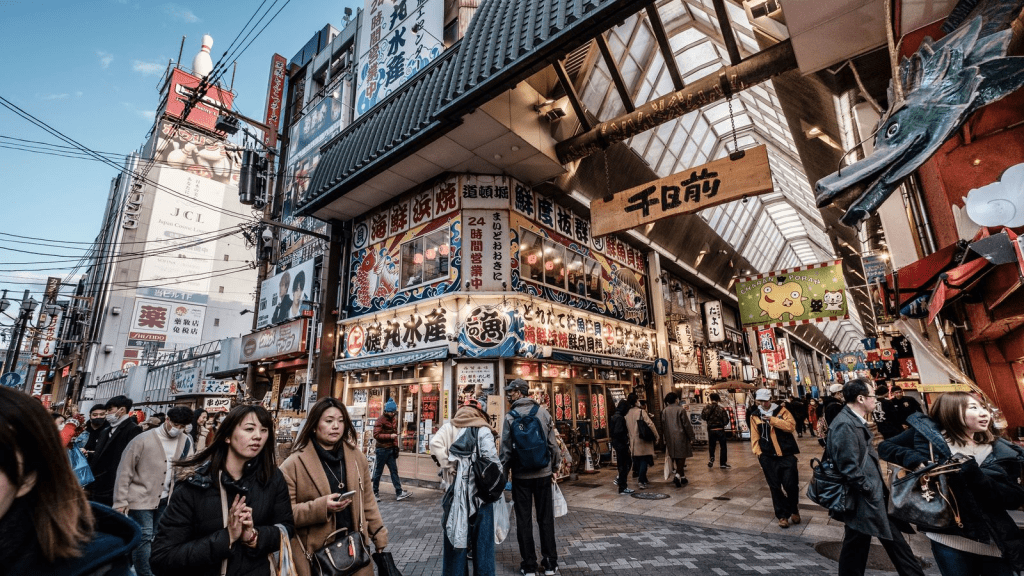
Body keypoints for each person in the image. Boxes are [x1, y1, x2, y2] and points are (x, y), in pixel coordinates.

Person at [0, 387, 141, 575]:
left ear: (27, 477)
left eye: (105, 412)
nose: (102, 416)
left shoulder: (95, 566)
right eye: (97, 413)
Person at [879, 392, 1024, 575]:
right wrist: (914, 459)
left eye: (984, 408)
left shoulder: (1002, 451)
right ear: (951, 411)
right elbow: (886, 447)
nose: (984, 413)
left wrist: (976, 476)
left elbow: (1013, 498)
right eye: (974, 408)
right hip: (947, 539)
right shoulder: (927, 437)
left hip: (994, 541)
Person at [151, 405, 294, 576]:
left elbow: (286, 528)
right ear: (227, 435)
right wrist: (227, 537)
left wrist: (254, 536)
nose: (258, 436)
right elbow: (162, 557)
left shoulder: (272, 477)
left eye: (264, 430)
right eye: (249, 429)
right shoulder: (196, 484)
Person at [280, 398, 388, 576]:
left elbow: (368, 501)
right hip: (316, 558)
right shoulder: (293, 464)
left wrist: (379, 535)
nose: (336, 426)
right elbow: (284, 514)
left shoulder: (356, 457)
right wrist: (321, 507)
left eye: (341, 420)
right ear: (314, 426)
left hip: (355, 552)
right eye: (329, 421)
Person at [828, 379, 924, 576]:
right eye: (872, 396)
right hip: (868, 498)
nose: (876, 400)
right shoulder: (845, 425)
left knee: (856, 545)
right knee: (896, 545)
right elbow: (848, 466)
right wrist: (870, 489)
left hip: (869, 497)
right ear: (861, 398)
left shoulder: (853, 421)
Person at [112, 405, 193, 576]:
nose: (178, 429)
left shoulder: (185, 441)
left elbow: (189, 467)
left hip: (167, 498)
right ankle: (146, 573)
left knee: (157, 537)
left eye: (182, 426)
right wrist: (120, 501)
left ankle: (137, 566)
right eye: (176, 424)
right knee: (145, 537)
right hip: (140, 497)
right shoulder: (142, 439)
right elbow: (125, 470)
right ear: (167, 420)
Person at [430, 396, 499, 576]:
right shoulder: (483, 429)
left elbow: (434, 444)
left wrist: (449, 465)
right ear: (479, 413)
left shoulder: (449, 426)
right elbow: (492, 461)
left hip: (454, 494)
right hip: (481, 496)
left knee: (455, 540)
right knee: (483, 545)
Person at [500, 378, 561, 576]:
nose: (509, 394)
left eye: (512, 391)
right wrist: (555, 466)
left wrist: (504, 474)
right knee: (545, 519)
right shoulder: (543, 413)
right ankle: (550, 563)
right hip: (543, 474)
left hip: (521, 477)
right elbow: (553, 444)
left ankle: (529, 566)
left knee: (524, 521)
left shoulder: (510, 417)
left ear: (520, 392)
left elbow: (506, 451)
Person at [749, 388, 801, 528]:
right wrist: (758, 454)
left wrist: (773, 420)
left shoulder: (782, 411)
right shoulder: (755, 415)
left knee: (791, 485)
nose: (763, 404)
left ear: (770, 399)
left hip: (786, 454)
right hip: (767, 456)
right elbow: (755, 436)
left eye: (765, 401)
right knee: (775, 487)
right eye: (760, 401)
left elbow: (791, 426)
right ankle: (782, 515)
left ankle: (794, 509)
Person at [88, 395, 144, 506]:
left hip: (115, 484)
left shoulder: (132, 429)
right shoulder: (106, 430)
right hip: (97, 483)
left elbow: (134, 459)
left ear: (122, 410)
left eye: (110, 410)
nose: (107, 414)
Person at [372, 398, 411, 502]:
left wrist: (395, 447)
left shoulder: (393, 418)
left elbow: (394, 434)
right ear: (386, 411)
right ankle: (374, 493)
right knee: (378, 472)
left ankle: (399, 492)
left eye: (394, 412)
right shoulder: (380, 420)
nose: (392, 413)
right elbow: (376, 435)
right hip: (381, 450)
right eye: (391, 412)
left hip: (390, 449)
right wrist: (390, 436)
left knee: (394, 471)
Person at [623, 392, 659, 489]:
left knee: (638, 461)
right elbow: (650, 424)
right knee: (644, 460)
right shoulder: (641, 412)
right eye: (638, 400)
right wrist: (656, 435)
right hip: (642, 440)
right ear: (635, 402)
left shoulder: (626, 414)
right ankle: (641, 480)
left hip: (633, 441)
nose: (639, 402)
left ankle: (644, 479)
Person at [662, 393, 694, 487]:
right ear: (676, 399)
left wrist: (665, 438)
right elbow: (686, 425)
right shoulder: (680, 410)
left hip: (670, 437)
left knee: (676, 457)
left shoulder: (664, 411)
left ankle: (683, 477)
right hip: (681, 436)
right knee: (682, 457)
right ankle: (677, 475)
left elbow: (663, 426)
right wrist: (691, 436)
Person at [609, 399, 634, 494]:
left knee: (623, 464)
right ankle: (622, 485)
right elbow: (618, 432)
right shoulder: (620, 418)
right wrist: (625, 440)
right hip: (621, 445)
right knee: (626, 464)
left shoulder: (615, 416)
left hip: (617, 444)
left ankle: (621, 483)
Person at [700, 393, 731, 469]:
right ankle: (723, 463)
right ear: (718, 399)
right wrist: (722, 424)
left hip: (711, 429)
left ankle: (712, 457)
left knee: (711, 445)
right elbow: (726, 420)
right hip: (720, 429)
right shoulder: (721, 409)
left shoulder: (706, 408)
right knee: (723, 446)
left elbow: (703, 417)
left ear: (710, 399)